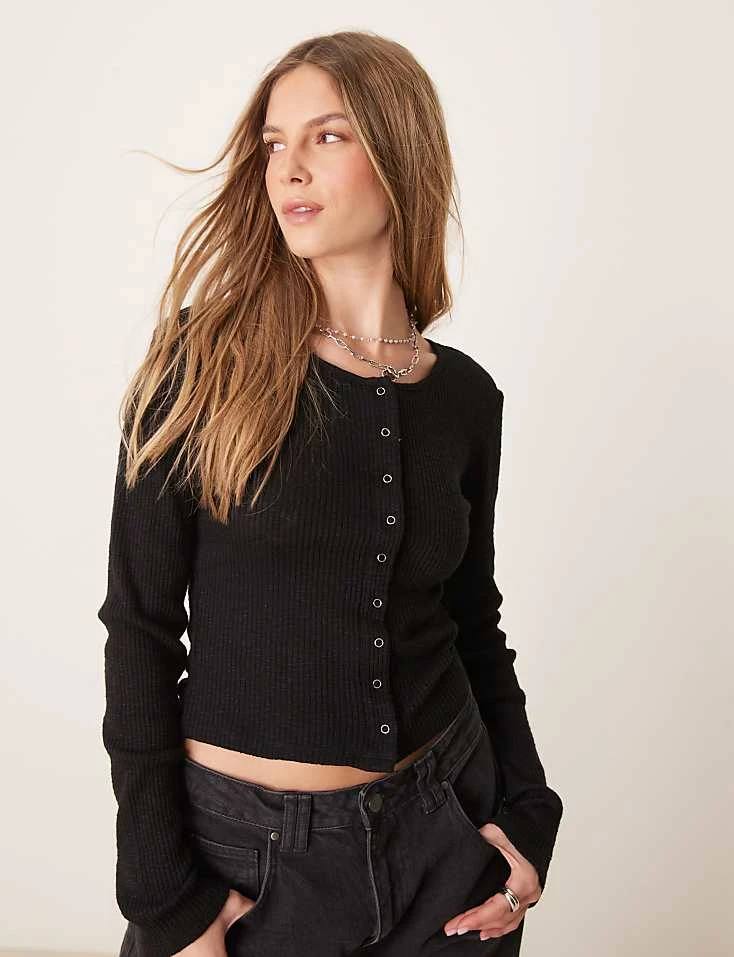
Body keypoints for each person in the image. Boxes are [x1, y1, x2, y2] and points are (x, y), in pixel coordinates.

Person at [97, 30, 563, 957]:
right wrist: (160, 891)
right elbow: (140, 627)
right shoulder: (204, 361)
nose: (290, 168)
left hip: (447, 845)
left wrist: (527, 811)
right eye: (276, 142)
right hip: (247, 864)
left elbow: (473, 622)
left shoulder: (467, 399)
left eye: (329, 136)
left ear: (399, 153)